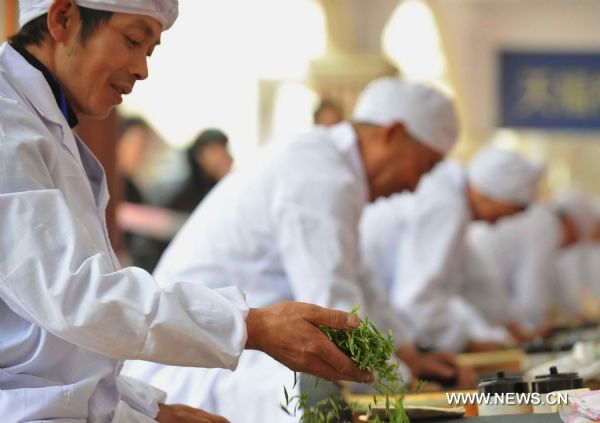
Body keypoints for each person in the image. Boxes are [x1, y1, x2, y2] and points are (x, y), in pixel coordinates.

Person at [0, 1, 372, 421]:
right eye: (133, 39)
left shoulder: (43, 124)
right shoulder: (5, 124)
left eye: (150, 50)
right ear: (63, 18)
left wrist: (149, 407)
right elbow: (73, 295)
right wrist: (252, 326)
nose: (142, 69)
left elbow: (49, 349)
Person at [123, 77, 477, 422]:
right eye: (425, 165)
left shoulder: (331, 167)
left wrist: (407, 353)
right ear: (393, 134)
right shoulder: (321, 174)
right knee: (321, 392)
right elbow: (337, 311)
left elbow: (359, 279)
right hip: (202, 362)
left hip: (236, 351)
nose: (416, 185)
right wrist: (405, 387)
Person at [360, 146, 544, 352]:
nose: (496, 223)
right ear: (486, 193)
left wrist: (513, 327)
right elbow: (416, 299)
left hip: (382, 317)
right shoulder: (447, 205)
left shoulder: (452, 198)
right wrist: (466, 343)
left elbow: (476, 281)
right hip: (370, 317)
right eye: (501, 213)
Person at [466, 191, 589, 335]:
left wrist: (575, 314)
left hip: (488, 311)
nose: (573, 243)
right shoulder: (546, 226)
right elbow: (531, 297)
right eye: (578, 234)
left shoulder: (543, 221)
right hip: (479, 317)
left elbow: (557, 286)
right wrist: (536, 328)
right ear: (571, 222)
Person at [169, 128, 233, 213]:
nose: (224, 158)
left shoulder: (230, 191)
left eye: (224, 150)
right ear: (199, 156)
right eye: (214, 152)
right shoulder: (185, 198)